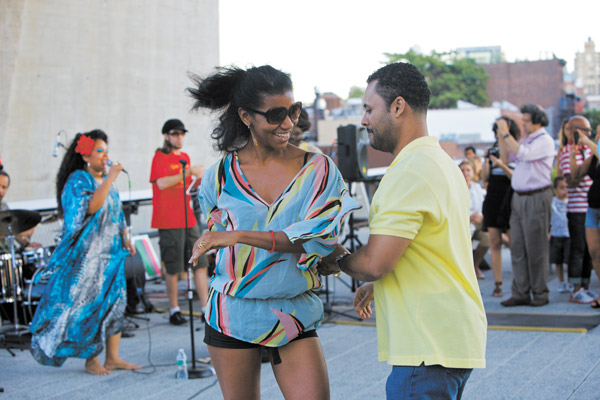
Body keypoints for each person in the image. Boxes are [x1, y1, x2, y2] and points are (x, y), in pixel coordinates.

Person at [186, 65, 359, 400]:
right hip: (230, 312)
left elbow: (318, 238)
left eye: (293, 111)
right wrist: (214, 240)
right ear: (246, 116)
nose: (289, 123)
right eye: (276, 114)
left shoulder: (318, 170)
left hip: (292, 310)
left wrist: (240, 236)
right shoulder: (218, 177)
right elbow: (217, 234)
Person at [318, 62, 486, 399]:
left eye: (368, 109)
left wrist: (336, 259)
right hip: (449, 337)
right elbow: (428, 249)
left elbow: (376, 261)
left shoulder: (410, 170)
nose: (363, 119)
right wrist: (379, 286)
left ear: (398, 106)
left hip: (427, 348)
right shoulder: (440, 163)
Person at [30, 130, 140, 375]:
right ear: (86, 157)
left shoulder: (107, 183)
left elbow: (117, 214)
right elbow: (89, 208)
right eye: (99, 151)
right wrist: (110, 179)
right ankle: (91, 360)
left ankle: (112, 357)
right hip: (87, 260)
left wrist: (126, 238)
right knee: (90, 308)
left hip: (112, 255)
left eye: (106, 151)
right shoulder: (78, 180)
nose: (105, 156)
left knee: (116, 303)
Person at [150, 119, 209, 325]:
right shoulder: (159, 157)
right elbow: (162, 183)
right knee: (173, 266)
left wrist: (198, 178)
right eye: (175, 134)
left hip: (188, 217)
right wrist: (187, 172)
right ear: (166, 136)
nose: (179, 137)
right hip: (168, 219)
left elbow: (187, 184)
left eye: (182, 134)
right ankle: (174, 309)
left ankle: (205, 308)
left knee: (200, 262)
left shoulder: (184, 157)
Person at [499, 104, 555, 307]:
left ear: (538, 121)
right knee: (518, 248)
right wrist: (500, 134)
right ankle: (520, 292)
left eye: (527, 121)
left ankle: (540, 292)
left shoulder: (545, 141)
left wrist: (506, 134)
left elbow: (523, 154)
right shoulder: (526, 139)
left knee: (536, 248)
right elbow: (507, 157)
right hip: (519, 197)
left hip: (536, 197)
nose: (523, 124)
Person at [481, 117, 520, 297]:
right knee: (494, 241)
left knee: (515, 242)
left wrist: (501, 164)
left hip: (509, 193)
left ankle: (520, 282)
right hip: (493, 195)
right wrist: (487, 161)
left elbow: (513, 173)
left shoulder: (515, 147)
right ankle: (498, 284)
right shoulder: (491, 149)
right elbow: (484, 177)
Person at [558, 116, 595, 303]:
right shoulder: (567, 152)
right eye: (586, 130)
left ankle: (586, 286)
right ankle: (576, 288)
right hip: (577, 208)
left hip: (591, 207)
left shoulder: (590, 150)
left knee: (590, 250)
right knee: (578, 248)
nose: (589, 134)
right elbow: (570, 181)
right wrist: (584, 172)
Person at [569, 123, 600, 308]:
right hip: (592, 209)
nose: (597, 135)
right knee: (595, 252)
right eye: (597, 133)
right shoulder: (594, 157)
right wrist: (573, 155)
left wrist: (587, 142)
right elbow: (576, 174)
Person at [459, 160, 489, 279]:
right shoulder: (456, 187)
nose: (465, 173)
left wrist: (480, 215)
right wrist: (469, 217)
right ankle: (467, 271)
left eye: (468, 170)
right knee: (466, 244)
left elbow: (481, 205)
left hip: (477, 221)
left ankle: (475, 266)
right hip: (464, 222)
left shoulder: (477, 187)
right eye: (462, 170)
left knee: (487, 240)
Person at [549, 176, 571, 292]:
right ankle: (561, 281)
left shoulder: (571, 202)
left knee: (569, 260)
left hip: (568, 234)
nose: (565, 190)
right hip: (556, 234)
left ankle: (571, 282)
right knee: (558, 261)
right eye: (562, 188)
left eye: (566, 187)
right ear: (555, 189)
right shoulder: (552, 202)